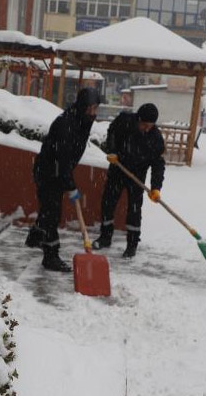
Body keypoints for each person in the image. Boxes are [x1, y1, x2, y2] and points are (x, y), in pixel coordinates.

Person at [25, 87, 101, 272]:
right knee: (52, 213)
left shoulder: (81, 120)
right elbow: (63, 158)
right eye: (90, 108)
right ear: (82, 106)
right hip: (48, 172)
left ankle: (35, 237)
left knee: (48, 208)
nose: (93, 112)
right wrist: (70, 186)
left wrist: (67, 181)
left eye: (95, 108)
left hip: (57, 171)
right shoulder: (67, 124)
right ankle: (50, 256)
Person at [93, 104, 166, 258]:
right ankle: (105, 237)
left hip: (137, 176)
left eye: (150, 126)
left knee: (134, 210)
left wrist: (156, 188)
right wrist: (112, 150)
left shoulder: (155, 138)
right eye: (144, 125)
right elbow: (112, 132)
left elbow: (158, 165)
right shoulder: (124, 121)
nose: (147, 129)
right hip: (118, 170)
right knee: (108, 203)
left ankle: (132, 245)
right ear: (138, 119)